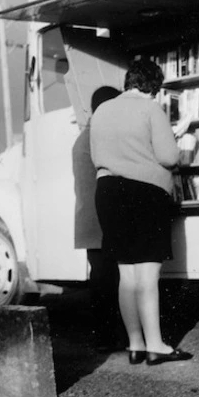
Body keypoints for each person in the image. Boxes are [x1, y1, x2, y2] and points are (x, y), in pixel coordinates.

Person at [90, 57, 193, 366]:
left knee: (127, 274)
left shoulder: (102, 110)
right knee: (148, 275)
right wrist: (182, 139)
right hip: (145, 195)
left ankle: (134, 344)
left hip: (107, 192)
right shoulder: (151, 109)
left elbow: (99, 154)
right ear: (154, 87)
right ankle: (156, 346)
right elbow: (168, 156)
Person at [72, 85, 123, 353]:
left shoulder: (86, 136)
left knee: (102, 281)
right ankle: (107, 338)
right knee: (107, 283)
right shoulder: (99, 138)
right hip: (101, 222)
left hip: (91, 222)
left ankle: (106, 336)